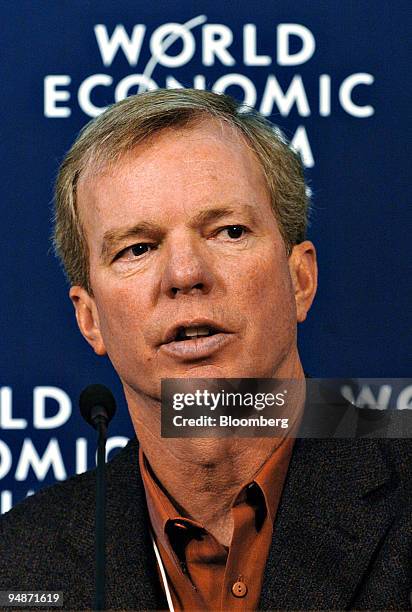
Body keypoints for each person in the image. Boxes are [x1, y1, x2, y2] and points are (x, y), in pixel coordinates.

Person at [1, 89, 411, 611]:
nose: (186, 274)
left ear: (300, 279)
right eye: (137, 249)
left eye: (228, 231)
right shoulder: (18, 564)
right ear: (91, 319)